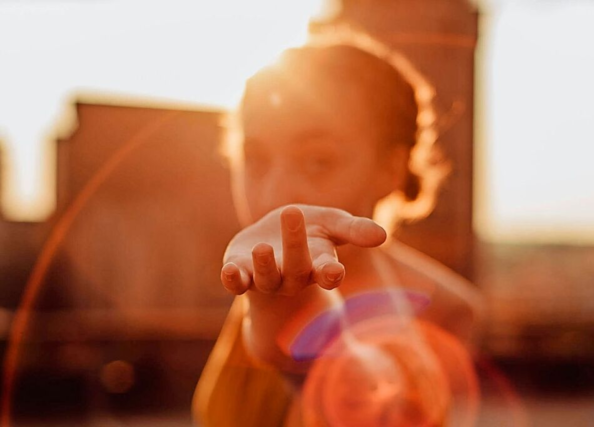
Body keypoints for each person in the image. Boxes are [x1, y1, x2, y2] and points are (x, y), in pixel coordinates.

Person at [192, 30, 483, 427]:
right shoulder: (263, 271)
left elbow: (357, 381)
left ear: (389, 170)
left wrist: (294, 325)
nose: (278, 192)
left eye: (318, 161)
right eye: (255, 158)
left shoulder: (441, 310)